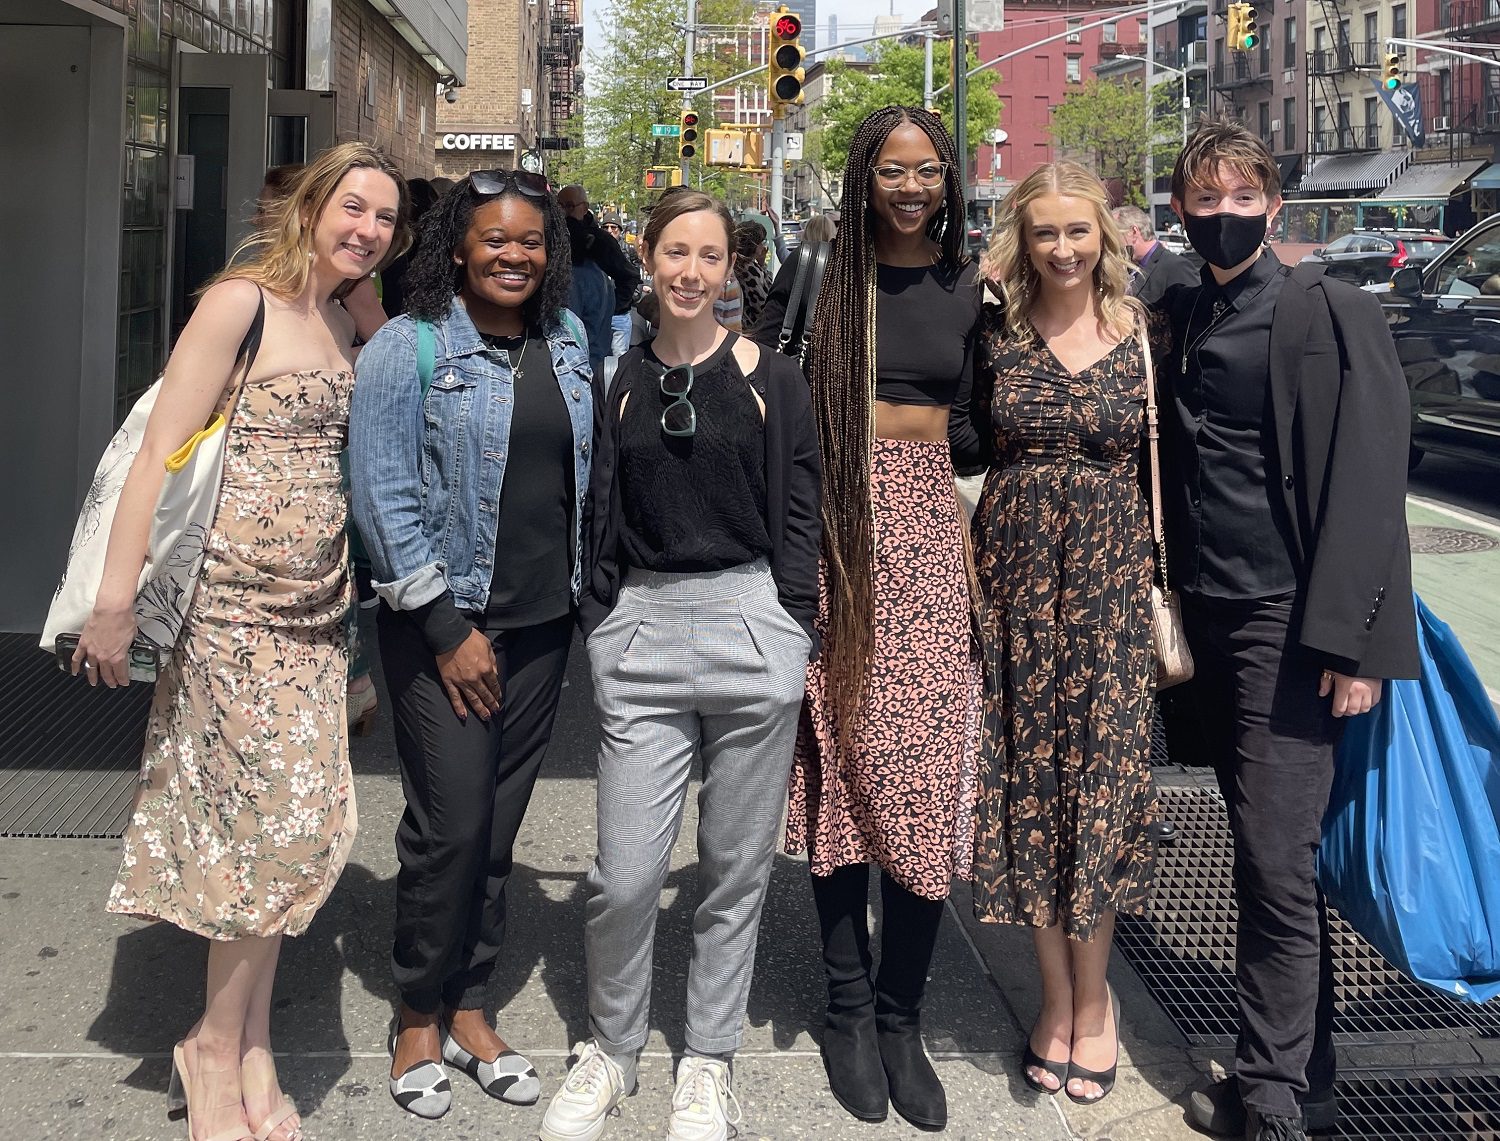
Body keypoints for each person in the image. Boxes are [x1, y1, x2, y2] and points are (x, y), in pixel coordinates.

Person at [79, 142, 407, 1141]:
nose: (366, 230)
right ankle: (215, 1051)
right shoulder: (242, 302)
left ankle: (250, 1043)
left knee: (297, 828)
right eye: (353, 208)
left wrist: (372, 305)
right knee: (262, 833)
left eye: (384, 219)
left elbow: (387, 407)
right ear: (312, 203)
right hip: (231, 611)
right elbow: (153, 457)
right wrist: (113, 600)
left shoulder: (347, 311)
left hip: (317, 610)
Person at [1154, 120, 1418, 1141]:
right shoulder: (1176, 306)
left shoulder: (1329, 309)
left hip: (1289, 621)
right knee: (1270, 852)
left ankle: (1268, 1102)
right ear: (1181, 209)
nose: (1222, 215)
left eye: (1241, 198)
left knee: (1270, 856)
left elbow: (1368, 481)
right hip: (1206, 618)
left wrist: (1356, 644)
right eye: (1203, 200)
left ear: (1273, 202)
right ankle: (1310, 1071)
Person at [540, 188, 821, 1141]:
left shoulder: (773, 378)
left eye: (709, 256)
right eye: (674, 254)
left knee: (734, 872)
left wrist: (793, 628)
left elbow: (799, 512)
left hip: (751, 625)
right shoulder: (618, 378)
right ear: (647, 261)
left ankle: (707, 1057)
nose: (692, 272)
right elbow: (596, 509)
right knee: (625, 874)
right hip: (644, 630)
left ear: (730, 269)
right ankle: (610, 1050)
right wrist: (602, 619)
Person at [754, 105, 983, 1133]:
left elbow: (984, 426)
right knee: (841, 762)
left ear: (948, 180)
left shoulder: (973, 285)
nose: (908, 185)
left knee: (926, 770)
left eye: (925, 170)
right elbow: (754, 393)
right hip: (833, 527)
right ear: (862, 176)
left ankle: (903, 1013)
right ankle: (847, 1005)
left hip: (933, 531)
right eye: (891, 169)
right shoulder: (820, 278)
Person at [350, 170, 592, 1121]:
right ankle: (416, 1011)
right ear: (456, 245)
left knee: (496, 833)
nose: (513, 255)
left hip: (543, 628)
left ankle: (471, 1004)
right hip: (438, 630)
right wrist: (448, 630)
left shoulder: (568, 344)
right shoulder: (406, 351)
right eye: (494, 238)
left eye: (530, 241)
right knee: (447, 828)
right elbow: (382, 499)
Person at [965, 161, 1159, 1107]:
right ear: (1022, 238)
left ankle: (1097, 999)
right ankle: (1053, 997)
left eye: (1079, 231)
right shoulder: (993, 332)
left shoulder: (1141, 336)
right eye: (1045, 231)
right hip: (1016, 592)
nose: (1063, 248)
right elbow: (950, 437)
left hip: (1113, 595)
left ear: (1106, 236)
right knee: (1028, 791)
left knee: (1102, 790)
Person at [558, 184, 641, 370]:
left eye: (570, 206)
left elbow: (629, 276)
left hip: (593, 334)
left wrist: (614, 308)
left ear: (584, 207)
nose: (564, 212)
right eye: (560, 206)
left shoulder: (600, 240)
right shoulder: (550, 234)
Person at [1113, 204, 1198, 306]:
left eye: (1113, 234)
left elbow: (1193, 314)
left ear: (1133, 232)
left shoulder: (1177, 266)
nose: (1111, 242)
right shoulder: (1130, 268)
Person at [601, 210, 640, 356]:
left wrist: (628, 298)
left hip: (620, 315)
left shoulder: (628, 253)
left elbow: (636, 276)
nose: (609, 231)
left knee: (619, 356)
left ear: (620, 231)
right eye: (606, 227)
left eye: (613, 227)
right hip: (600, 315)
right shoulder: (594, 251)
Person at [733, 220, 774, 331]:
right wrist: (763, 266)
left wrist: (761, 264)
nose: (763, 246)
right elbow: (764, 303)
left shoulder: (737, 264)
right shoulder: (749, 270)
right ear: (754, 245)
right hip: (750, 331)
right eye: (762, 242)